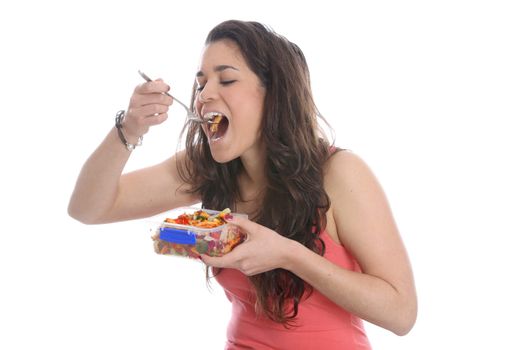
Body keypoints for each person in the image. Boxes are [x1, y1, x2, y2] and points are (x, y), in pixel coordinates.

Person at [68, 20, 417, 349]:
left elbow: (401, 314)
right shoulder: (206, 169)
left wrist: (291, 255)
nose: (204, 95)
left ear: (273, 94)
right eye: (202, 82)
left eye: (227, 80)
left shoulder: (338, 171)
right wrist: (129, 128)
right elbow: (88, 208)